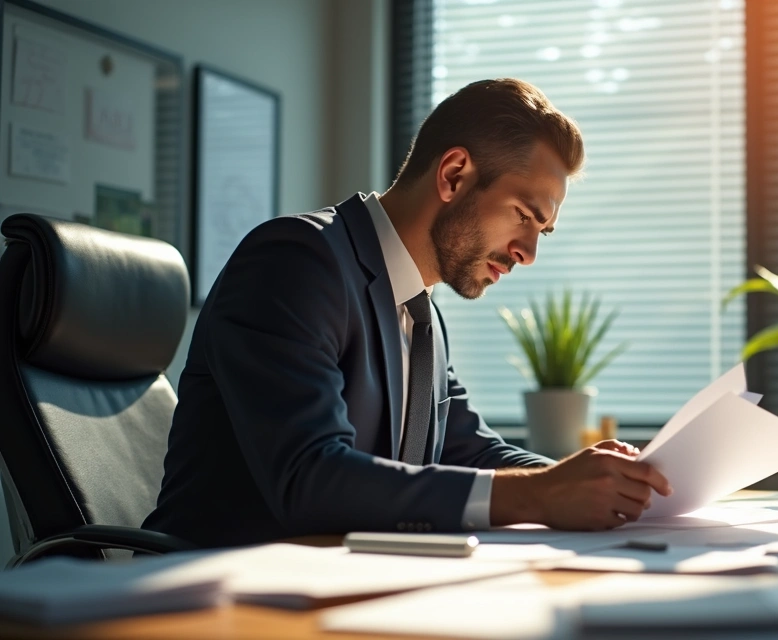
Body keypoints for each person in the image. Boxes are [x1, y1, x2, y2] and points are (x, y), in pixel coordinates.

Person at [143, 78, 671, 548]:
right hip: (211, 600)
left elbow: (470, 451)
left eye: (543, 230)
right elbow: (309, 477)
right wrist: (540, 495)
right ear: (454, 174)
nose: (528, 252)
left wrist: (587, 482)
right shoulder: (296, 261)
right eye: (523, 216)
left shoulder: (420, 313)